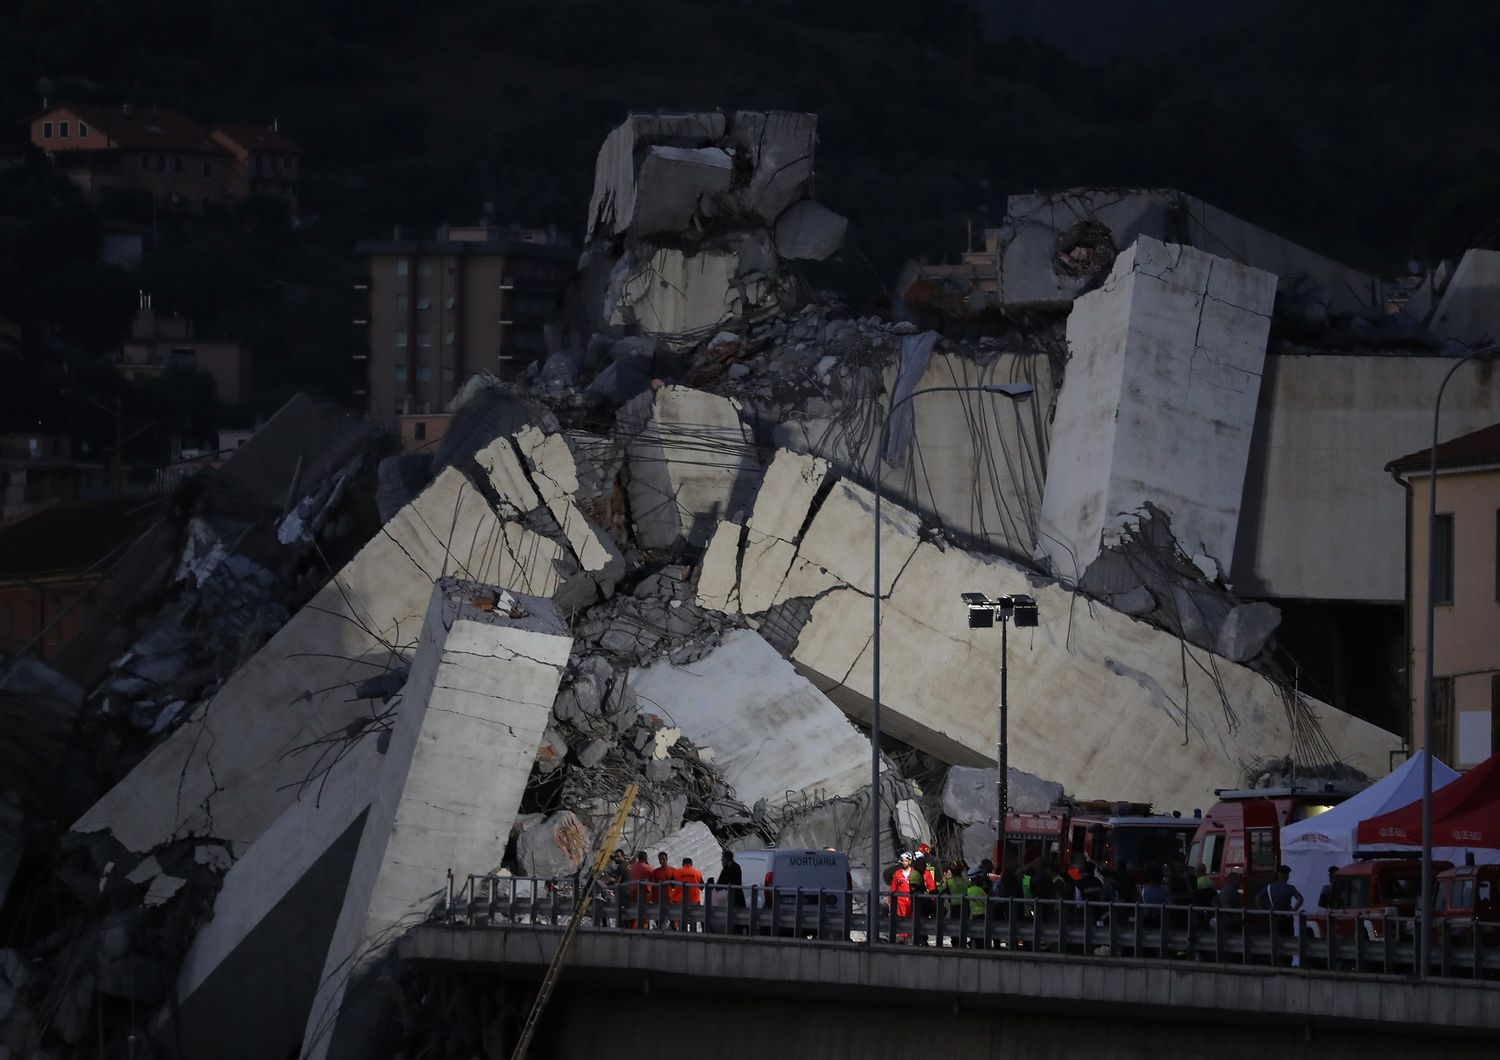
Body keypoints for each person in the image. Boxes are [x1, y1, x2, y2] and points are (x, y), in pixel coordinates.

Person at [718, 850, 746, 934]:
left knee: (737, 916)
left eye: (723, 857)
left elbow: (734, 882)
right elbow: (720, 882)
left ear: (727, 858)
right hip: (727, 897)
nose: (722, 859)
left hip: (735, 897)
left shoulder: (735, 867)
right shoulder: (726, 868)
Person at [653, 851, 682, 928]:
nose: (661, 861)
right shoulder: (655, 872)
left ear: (667, 859)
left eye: (663, 859)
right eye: (660, 859)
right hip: (659, 899)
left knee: (673, 917)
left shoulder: (673, 870)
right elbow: (653, 886)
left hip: (671, 898)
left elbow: (677, 885)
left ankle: (674, 929)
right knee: (659, 918)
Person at [626, 851, 653, 928]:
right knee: (644, 913)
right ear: (646, 858)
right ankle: (643, 928)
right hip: (643, 894)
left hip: (632, 892)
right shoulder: (647, 867)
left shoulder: (633, 867)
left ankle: (632, 929)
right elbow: (654, 878)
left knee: (633, 913)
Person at [676, 856, 704, 930]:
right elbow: (702, 887)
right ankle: (693, 935)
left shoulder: (677, 872)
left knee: (681, 920)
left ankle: (681, 935)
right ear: (691, 864)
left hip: (680, 900)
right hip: (694, 900)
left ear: (682, 864)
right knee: (693, 920)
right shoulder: (697, 873)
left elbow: (672, 885)